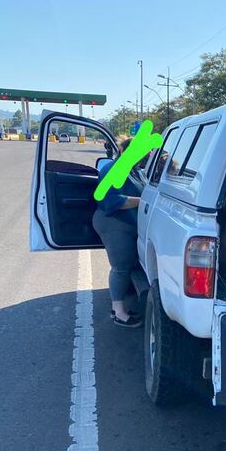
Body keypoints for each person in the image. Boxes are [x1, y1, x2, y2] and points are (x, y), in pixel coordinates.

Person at [92, 139, 143, 328]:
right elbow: (112, 201)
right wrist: (143, 200)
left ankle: (121, 302)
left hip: (125, 223)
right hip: (113, 222)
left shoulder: (133, 170)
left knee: (128, 264)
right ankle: (118, 312)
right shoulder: (114, 170)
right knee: (121, 266)